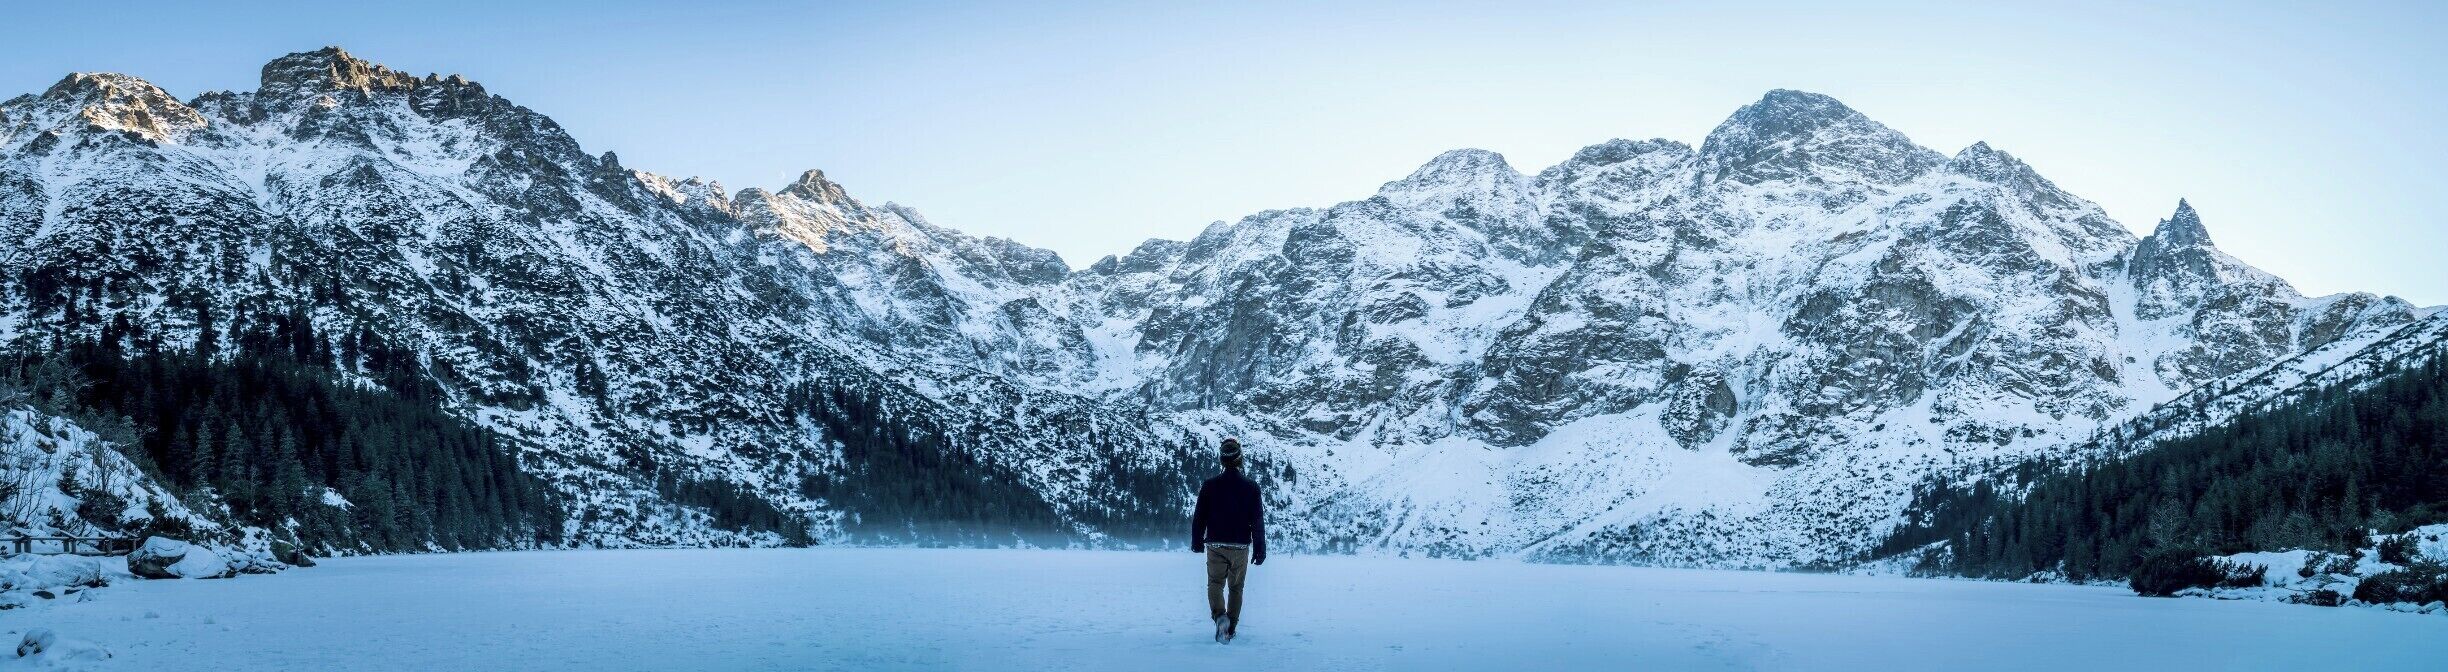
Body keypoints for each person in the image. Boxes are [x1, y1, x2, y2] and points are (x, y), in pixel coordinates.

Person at [1190, 436, 1265, 644]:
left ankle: (1220, 617)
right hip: (1240, 546)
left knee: (1215, 583)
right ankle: (1230, 627)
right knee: (1236, 588)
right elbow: (1257, 521)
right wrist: (1260, 549)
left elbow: (1199, 517)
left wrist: (1197, 541)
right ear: (1239, 459)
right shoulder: (1251, 488)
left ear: (1222, 460)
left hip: (1215, 545)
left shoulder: (1209, 486)